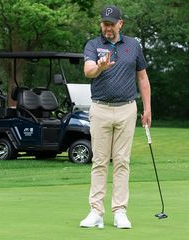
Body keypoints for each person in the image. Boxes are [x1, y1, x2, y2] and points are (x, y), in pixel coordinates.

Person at [79, 4, 151, 229]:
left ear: (121, 24)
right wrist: (100, 67)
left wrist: (147, 108)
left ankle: (120, 211)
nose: (107, 28)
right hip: (100, 108)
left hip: (127, 109)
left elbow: (142, 78)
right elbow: (88, 70)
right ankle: (96, 212)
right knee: (99, 161)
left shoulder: (133, 45)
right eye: (104, 23)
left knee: (122, 161)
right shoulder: (93, 45)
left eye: (111, 24)